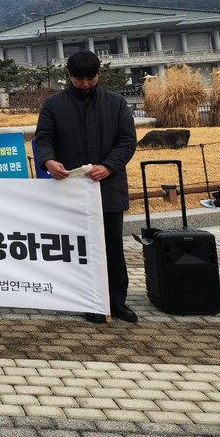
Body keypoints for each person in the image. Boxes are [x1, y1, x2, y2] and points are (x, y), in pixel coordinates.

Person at [33, 51, 138, 324]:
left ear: (98, 75)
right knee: (76, 248)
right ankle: (83, 298)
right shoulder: (53, 105)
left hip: (108, 188)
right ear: (68, 76)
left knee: (112, 247)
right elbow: (43, 138)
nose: (85, 84)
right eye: (79, 79)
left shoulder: (116, 103)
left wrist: (110, 166)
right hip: (71, 189)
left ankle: (116, 302)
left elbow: (127, 141)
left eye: (90, 78)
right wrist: (48, 160)